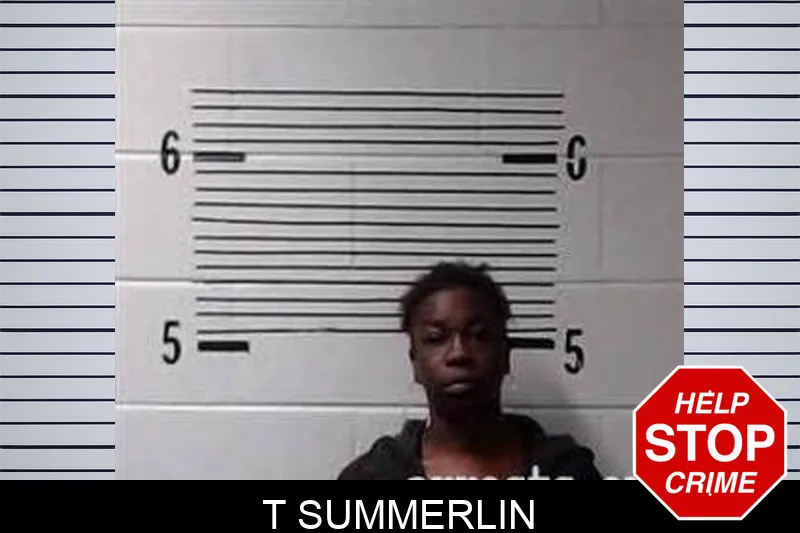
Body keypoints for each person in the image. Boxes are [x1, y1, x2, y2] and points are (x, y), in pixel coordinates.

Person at [337, 261, 602, 480]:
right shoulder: (374, 474)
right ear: (415, 363)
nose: (459, 353)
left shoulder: (568, 470)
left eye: (479, 335)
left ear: (505, 356)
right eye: (436, 338)